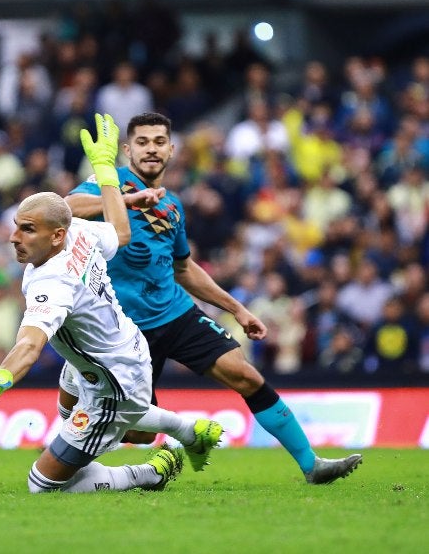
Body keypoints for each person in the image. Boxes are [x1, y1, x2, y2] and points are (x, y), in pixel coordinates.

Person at [63, 111, 362, 484]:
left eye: (159, 142)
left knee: (245, 375)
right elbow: (64, 210)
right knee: (138, 432)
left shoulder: (172, 205)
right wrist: (127, 200)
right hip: (124, 328)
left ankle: (312, 465)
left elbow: (184, 269)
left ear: (172, 150)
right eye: (142, 142)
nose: (151, 150)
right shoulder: (109, 184)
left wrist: (237, 309)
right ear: (127, 150)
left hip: (174, 313)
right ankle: (163, 440)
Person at [0, 113, 223, 494]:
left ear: (56, 236)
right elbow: (121, 231)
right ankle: (189, 431)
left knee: (42, 485)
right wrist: (106, 171)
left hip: (111, 378)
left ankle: (154, 471)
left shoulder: (53, 281)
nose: (14, 238)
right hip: (116, 347)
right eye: (16, 225)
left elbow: (28, 346)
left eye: (27, 229)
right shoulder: (79, 232)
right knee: (72, 411)